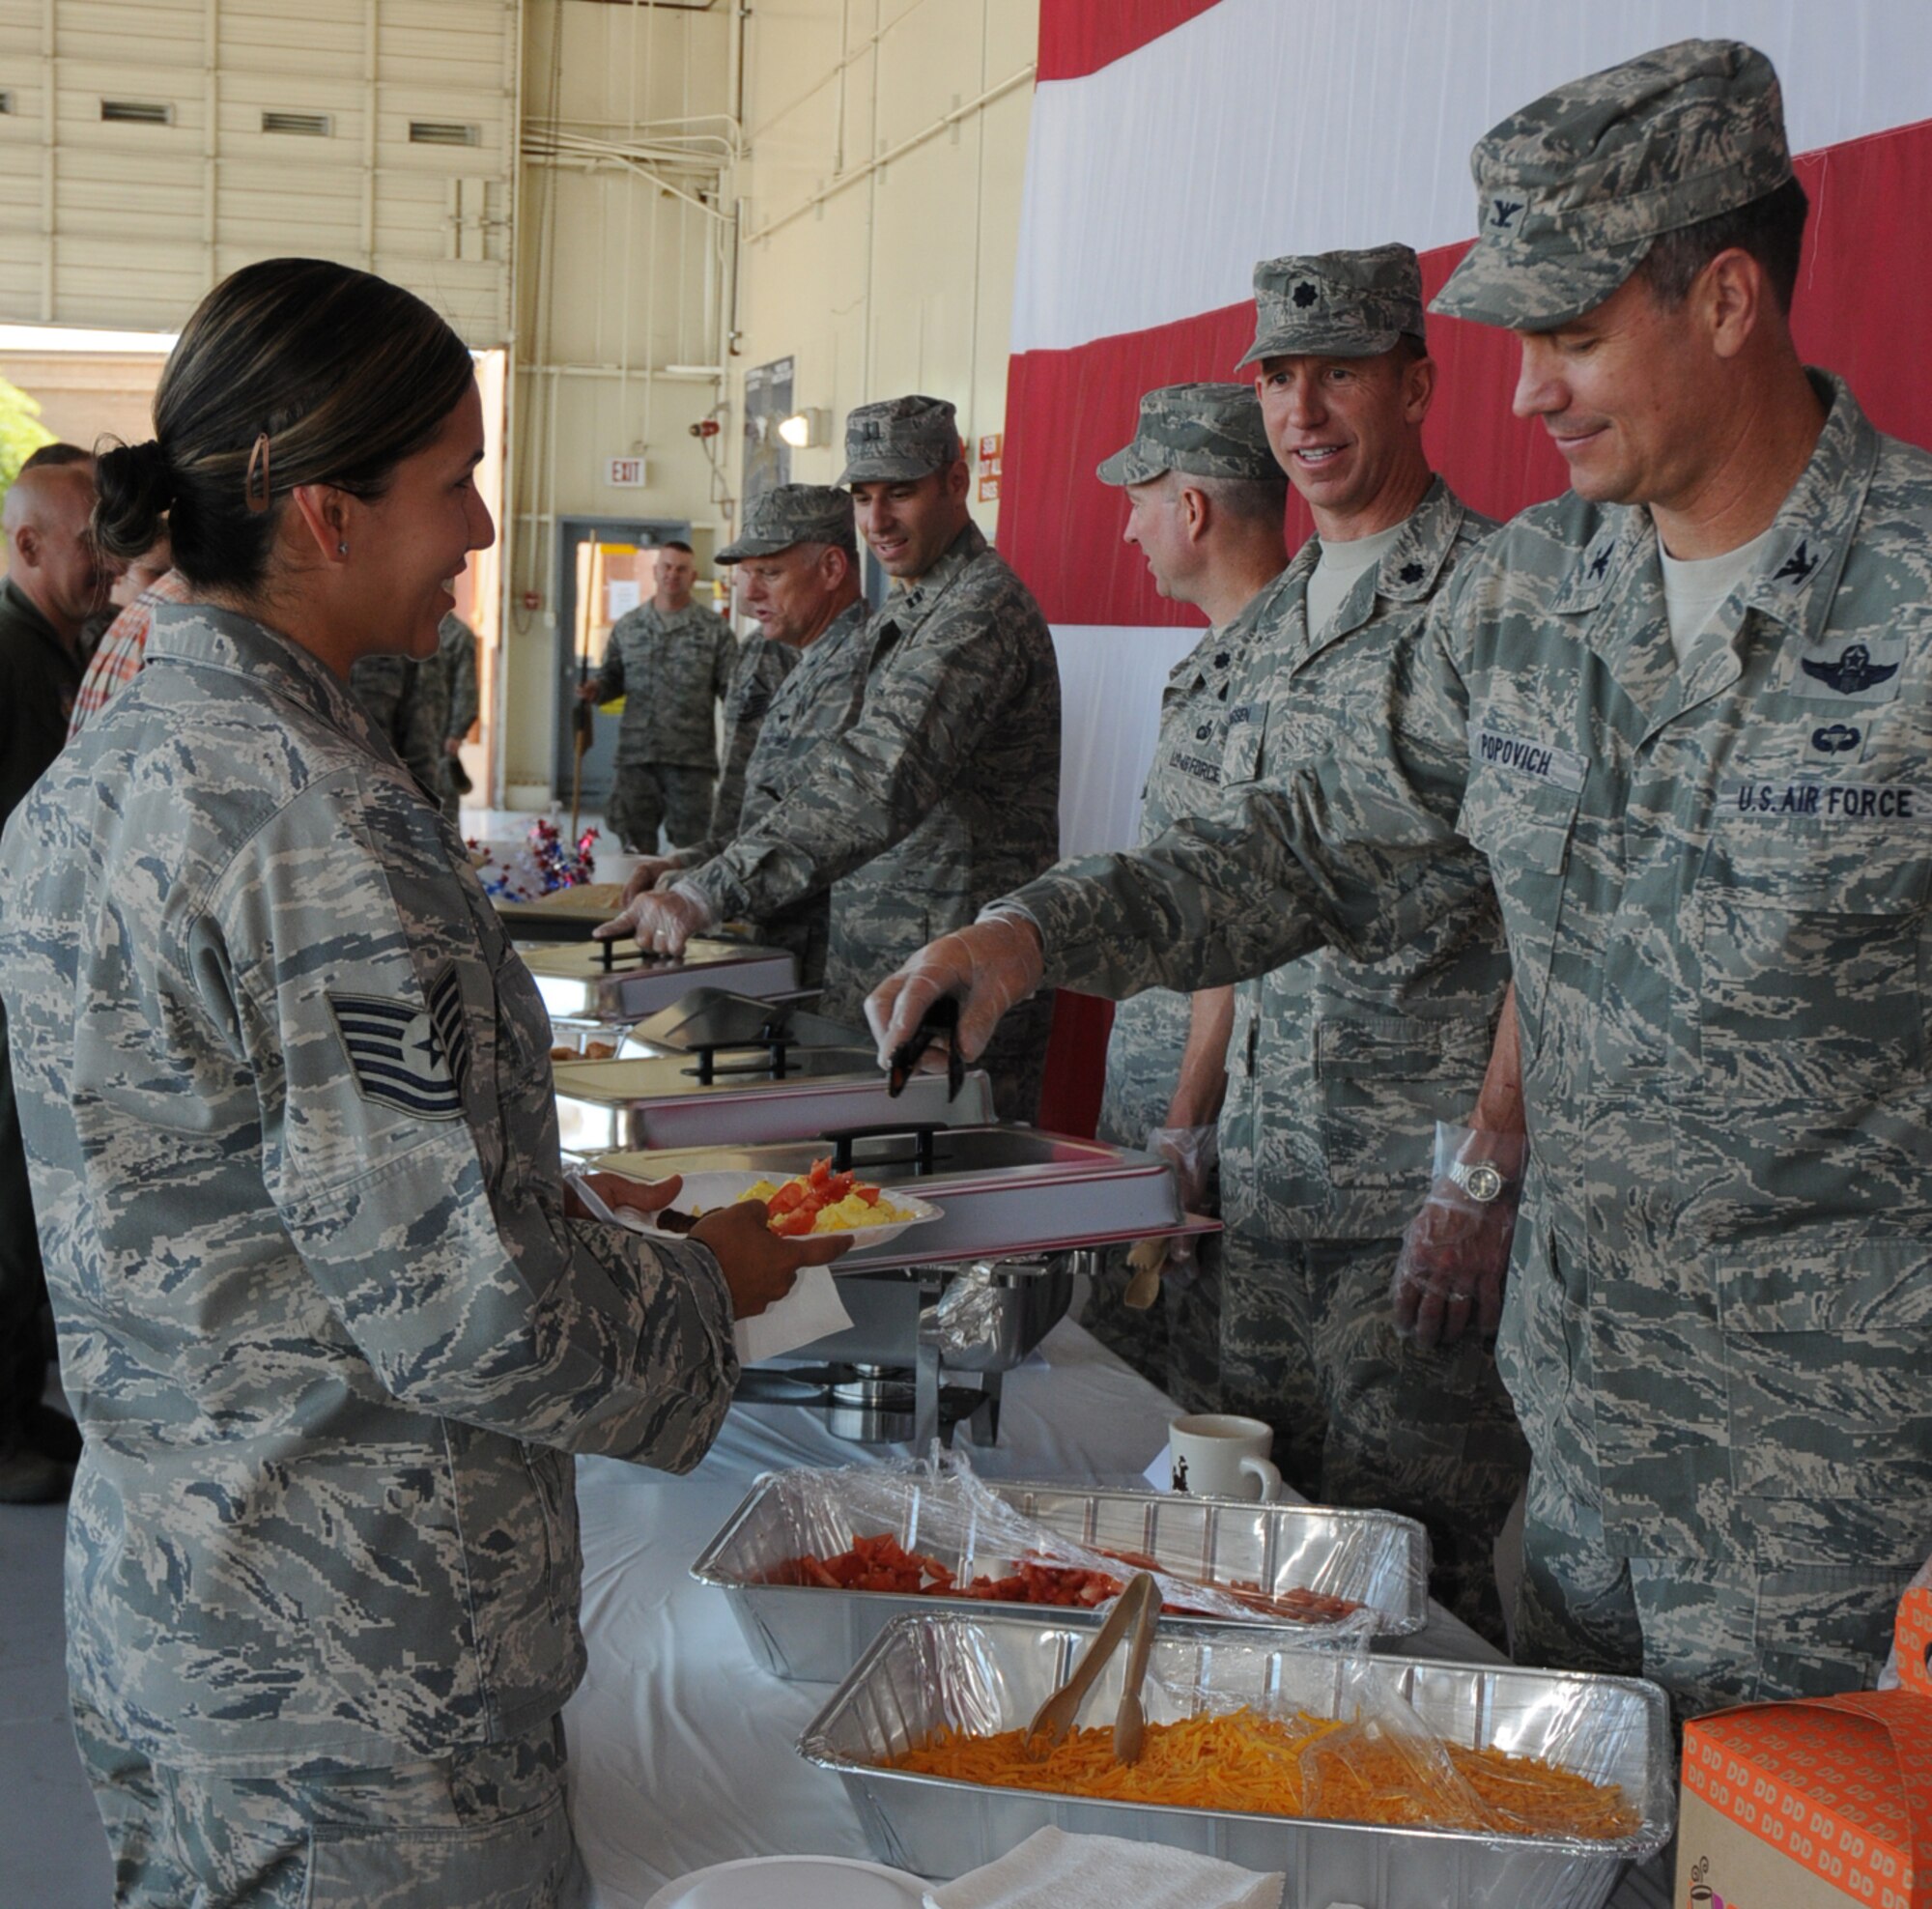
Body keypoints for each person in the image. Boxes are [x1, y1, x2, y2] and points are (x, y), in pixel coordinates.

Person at [870, 38, 1926, 1723]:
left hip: (1837, 1511)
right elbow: (1305, 845)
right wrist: (1034, 929)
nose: (1528, 394)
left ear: (1728, 301)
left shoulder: (1917, 603)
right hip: (1577, 1463)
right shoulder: (1531, 603)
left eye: (1575, 338)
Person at [0, 256, 840, 1905]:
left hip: (174, 1615)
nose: (474, 526)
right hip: (355, 1683)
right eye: (452, 479)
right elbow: (472, 1315)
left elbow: (231, 1197)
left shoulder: (108, 769)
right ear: (323, 514)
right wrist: (707, 1286)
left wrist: (536, 1198)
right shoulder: (319, 821)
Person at [1209, 246, 1525, 1643]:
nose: (1305, 408)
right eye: (1280, 376)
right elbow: (1230, 886)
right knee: (1258, 1563)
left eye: (1340, 370)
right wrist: (1203, 1119)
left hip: (1414, 1216)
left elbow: (1552, 916)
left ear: (1416, 384)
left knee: (1410, 1599)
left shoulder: (1494, 598)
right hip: (1272, 1188)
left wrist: (1482, 1168)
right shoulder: (1269, 620)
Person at [609, 397, 1063, 1119]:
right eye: (862, 496)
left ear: (957, 481)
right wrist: (702, 867)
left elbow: (874, 781)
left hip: (947, 985)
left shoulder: (977, 612)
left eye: (901, 492)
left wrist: (707, 891)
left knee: (939, 1195)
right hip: (885, 973)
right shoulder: (916, 612)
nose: (876, 521)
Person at [1085, 382, 1288, 1412]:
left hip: (1206, 1127)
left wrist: (1184, 1119)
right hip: (1158, 1101)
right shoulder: (1213, 659)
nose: (1128, 525)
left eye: (1140, 497)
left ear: (1194, 510)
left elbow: (1241, 926)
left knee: (1196, 1407)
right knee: (1135, 1395)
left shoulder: (1285, 670)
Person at [605, 485, 870, 990]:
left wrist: (697, 893)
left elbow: (815, 833)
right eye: (746, 574)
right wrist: (681, 864)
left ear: (833, 569)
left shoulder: (859, 671)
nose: (749, 596)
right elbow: (759, 822)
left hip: (834, 958)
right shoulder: (793, 659)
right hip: (776, 941)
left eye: (769, 574)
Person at [0, 454, 113, 1502]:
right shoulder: (9, 656)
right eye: (88, 538)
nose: (106, 559)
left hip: (50, 982)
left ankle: (18, 1403)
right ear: (29, 543)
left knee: (30, 1208)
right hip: (13, 981)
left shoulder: (62, 652)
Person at [575, 539, 735, 852]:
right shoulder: (629, 626)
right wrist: (596, 689)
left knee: (694, 851)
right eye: (667, 566)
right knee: (634, 849)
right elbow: (612, 679)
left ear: (693, 575)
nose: (672, 574)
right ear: (655, 570)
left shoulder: (715, 631)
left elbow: (735, 694)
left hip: (690, 761)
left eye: (681, 569)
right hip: (637, 759)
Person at [68, 531, 189, 738]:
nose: (165, 586)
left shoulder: (125, 631)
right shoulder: (147, 630)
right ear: (118, 573)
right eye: (158, 573)